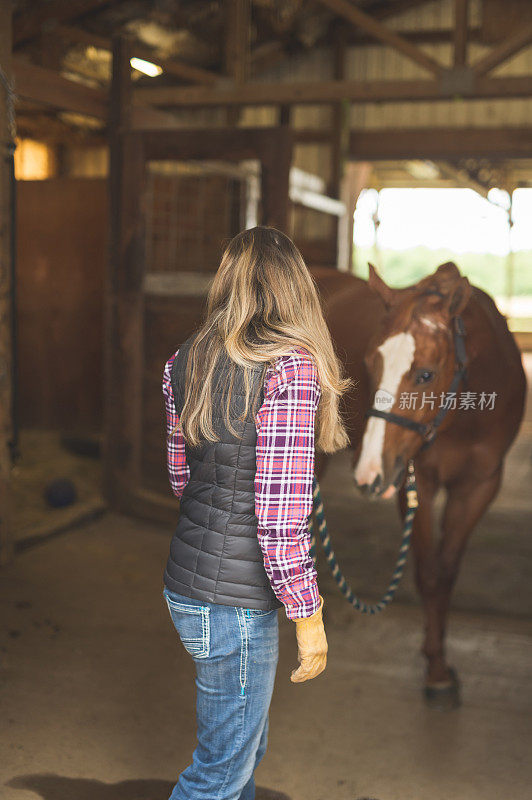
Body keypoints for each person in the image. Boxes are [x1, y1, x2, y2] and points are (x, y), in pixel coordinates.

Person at [161, 226, 352, 800]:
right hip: (235, 604)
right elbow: (277, 512)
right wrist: (309, 615)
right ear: (296, 289)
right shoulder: (290, 369)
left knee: (242, 754)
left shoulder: (184, 358)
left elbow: (180, 477)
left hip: (187, 586)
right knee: (218, 773)